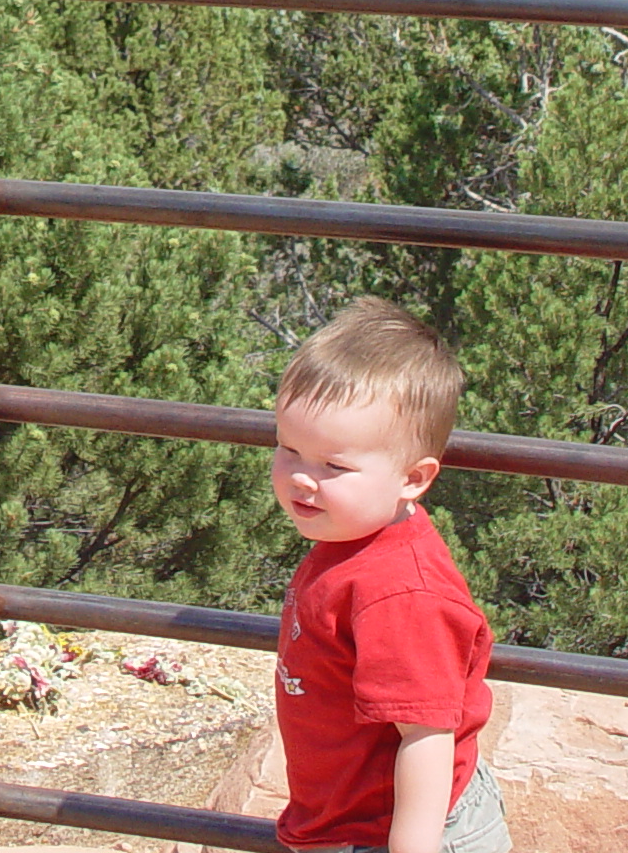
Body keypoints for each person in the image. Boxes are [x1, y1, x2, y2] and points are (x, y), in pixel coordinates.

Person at [271, 297, 508, 853]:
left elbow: (426, 736)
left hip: (407, 832)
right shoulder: (352, 539)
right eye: (287, 450)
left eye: (334, 466)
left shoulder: (399, 592)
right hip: (355, 821)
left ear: (413, 478)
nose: (302, 479)